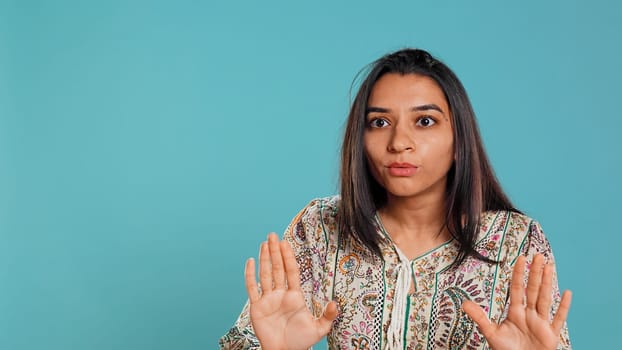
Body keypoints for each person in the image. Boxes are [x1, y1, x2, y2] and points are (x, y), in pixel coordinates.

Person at [218, 48, 572, 350]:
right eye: (380, 123)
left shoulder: (516, 241)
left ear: (459, 141)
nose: (399, 142)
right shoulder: (321, 227)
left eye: (425, 121)